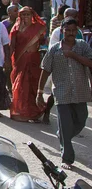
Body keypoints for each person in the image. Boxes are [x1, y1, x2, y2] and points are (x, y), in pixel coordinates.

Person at [38, 18, 92, 170]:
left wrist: (74, 56)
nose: (71, 33)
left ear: (77, 31)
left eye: (74, 30)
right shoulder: (54, 50)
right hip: (61, 93)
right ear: (62, 31)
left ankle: (62, 134)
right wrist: (39, 92)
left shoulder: (82, 46)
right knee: (66, 124)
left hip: (80, 92)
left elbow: (90, 62)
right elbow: (45, 70)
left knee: (81, 120)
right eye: (67, 30)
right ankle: (67, 158)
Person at [9, 7, 46, 122]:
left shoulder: (38, 28)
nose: (25, 17)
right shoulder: (16, 28)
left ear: (32, 16)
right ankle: (20, 112)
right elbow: (12, 46)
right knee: (21, 85)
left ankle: (33, 112)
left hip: (34, 59)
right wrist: (7, 61)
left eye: (27, 14)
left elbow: (43, 42)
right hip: (20, 59)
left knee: (33, 84)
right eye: (23, 15)